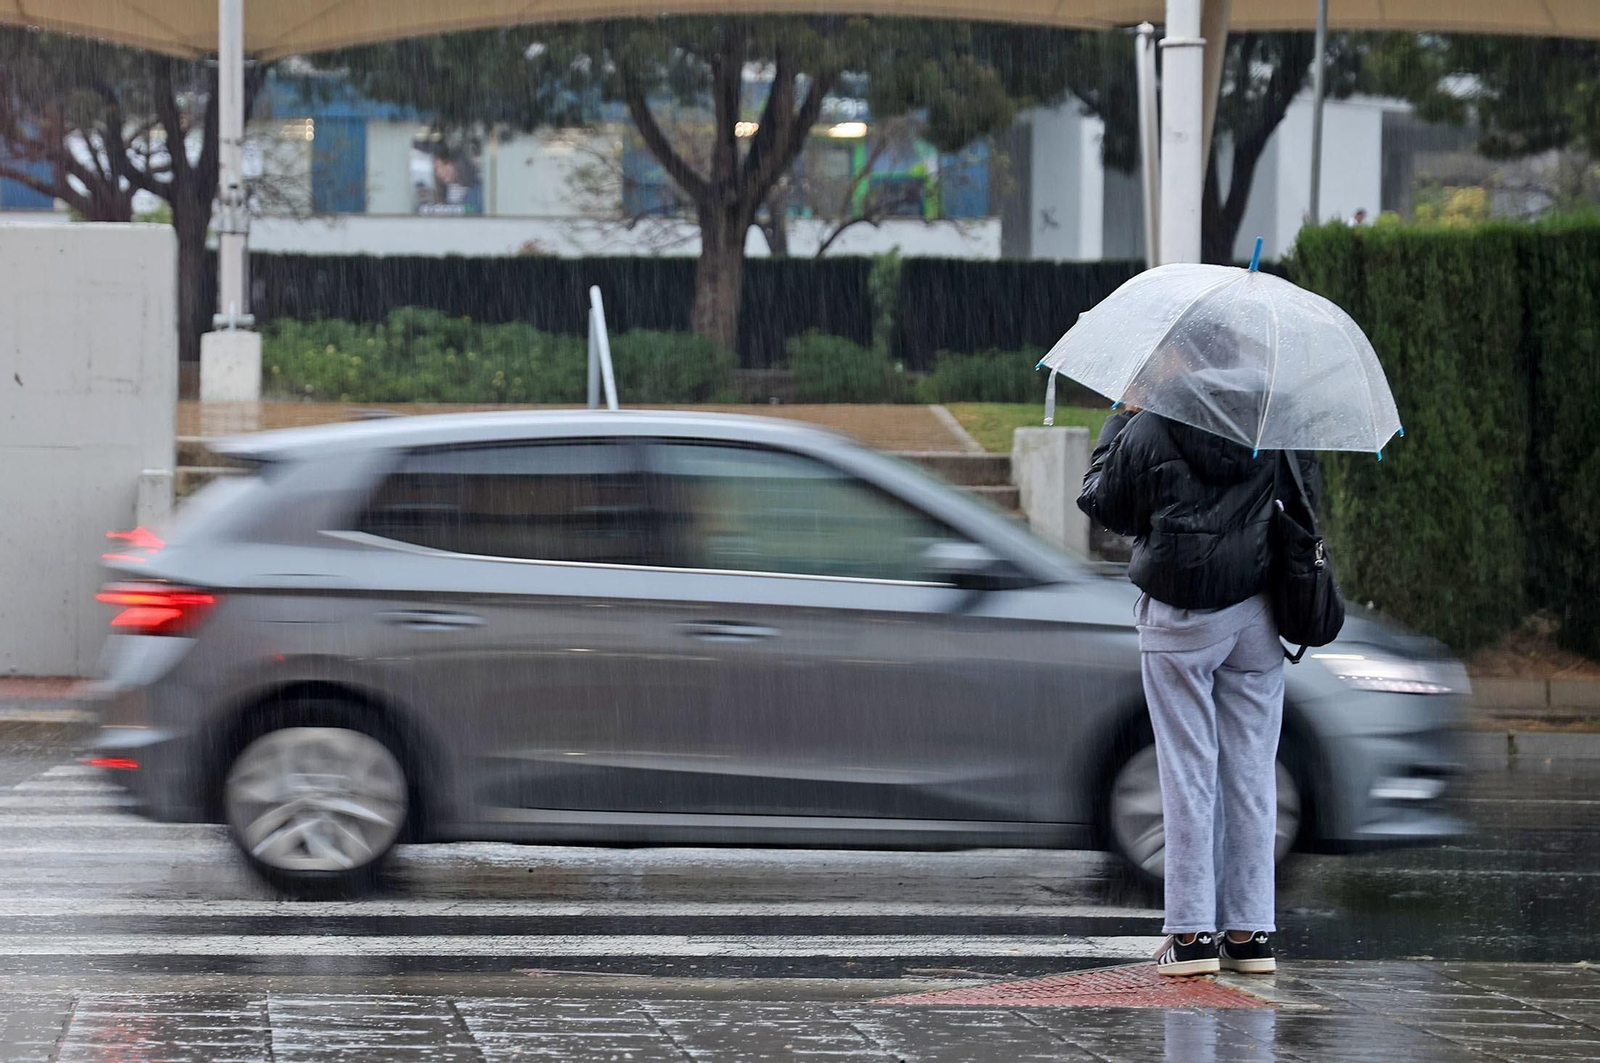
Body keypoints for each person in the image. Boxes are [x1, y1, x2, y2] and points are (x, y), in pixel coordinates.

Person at [1077, 376, 1319, 979]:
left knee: (1187, 773)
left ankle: (1190, 936)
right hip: (1258, 616)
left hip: (1181, 615)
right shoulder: (1274, 423)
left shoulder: (1155, 422)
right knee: (1253, 774)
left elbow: (1102, 502)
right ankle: (1251, 933)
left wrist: (1122, 414)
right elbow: (1305, 505)